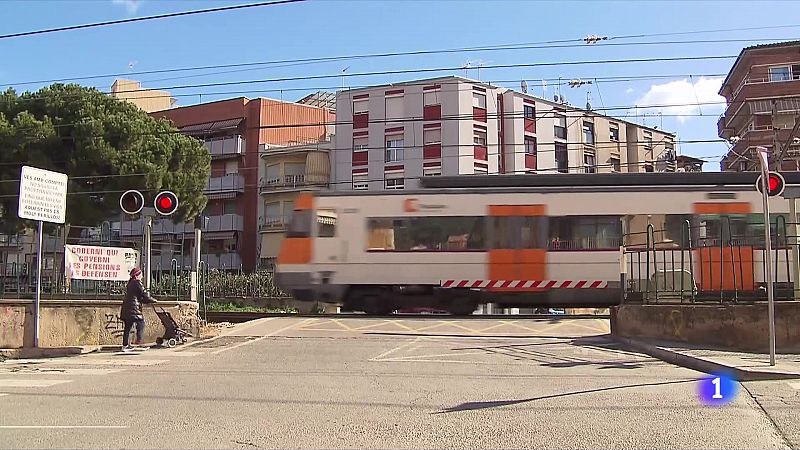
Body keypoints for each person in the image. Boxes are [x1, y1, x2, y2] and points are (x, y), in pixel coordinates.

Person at [121, 267, 157, 352]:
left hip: (127, 307)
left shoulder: (130, 283)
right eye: (141, 274)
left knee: (128, 327)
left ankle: (125, 346)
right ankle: (139, 340)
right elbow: (143, 294)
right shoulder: (137, 283)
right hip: (133, 308)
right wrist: (152, 300)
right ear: (137, 275)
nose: (142, 276)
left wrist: (145, 300)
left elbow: (137, 296)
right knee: (141, 322)